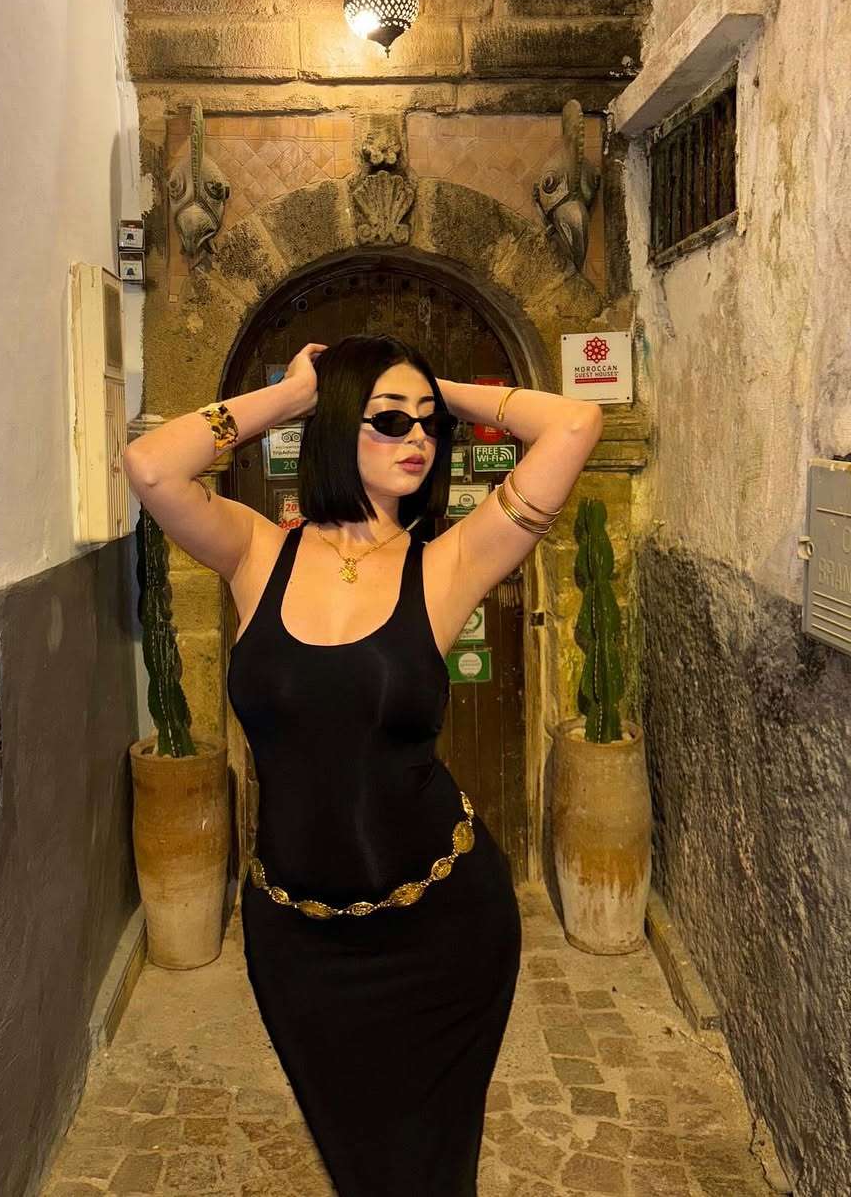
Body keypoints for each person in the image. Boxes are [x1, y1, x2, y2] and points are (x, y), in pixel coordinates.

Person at [123, 333, 603, 1196]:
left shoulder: (448, 563)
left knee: (432, 1172)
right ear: (338, 422)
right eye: (387, 420)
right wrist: (294, 395)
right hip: (297, 938)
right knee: (358, 1167)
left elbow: (574, 424)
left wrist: (432, 386)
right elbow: (153, 465)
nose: (416, 438)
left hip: (442, 929)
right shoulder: (255, 553)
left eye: (426, 425)